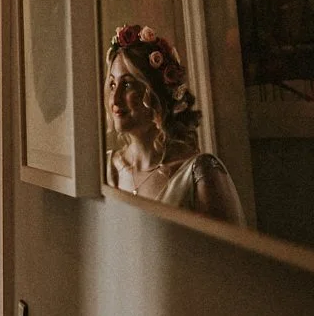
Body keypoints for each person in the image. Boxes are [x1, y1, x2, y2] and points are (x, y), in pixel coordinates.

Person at [104, 23, 244, 223]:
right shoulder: (106, 170)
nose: (114, 98)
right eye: (112, 84)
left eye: (127, 84)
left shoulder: (199, 174)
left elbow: (228, 253)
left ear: (154, 93)